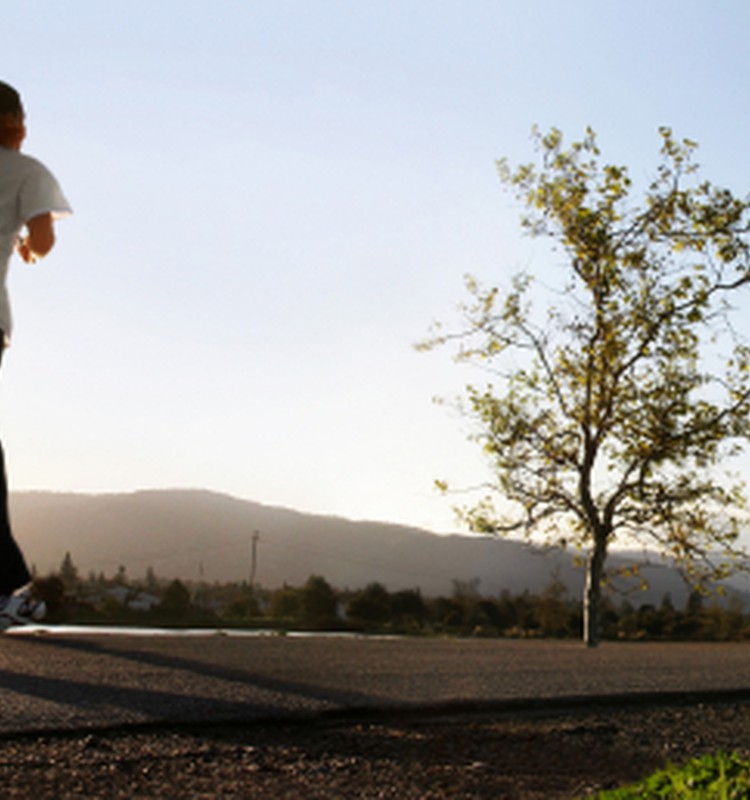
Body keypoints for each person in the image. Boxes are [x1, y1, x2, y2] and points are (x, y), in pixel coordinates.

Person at [0, 81, 71, 627]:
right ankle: (1, 586)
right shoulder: (25, 171)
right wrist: (24, 245)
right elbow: (42, 242)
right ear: (15, 123)